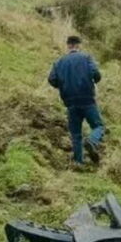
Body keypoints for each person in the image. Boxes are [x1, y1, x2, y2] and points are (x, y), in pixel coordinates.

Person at [47, 35, 104, 165]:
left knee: (76, 134)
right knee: (98, 126)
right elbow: (97, 75)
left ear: (68, 46)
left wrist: (63, 86)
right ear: (78, 45)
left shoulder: (59, 62)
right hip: (87, 99)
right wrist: (92, 81)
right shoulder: (86, 58)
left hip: (70, 102)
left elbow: (52, 79)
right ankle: (91, 141)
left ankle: (78, 162)